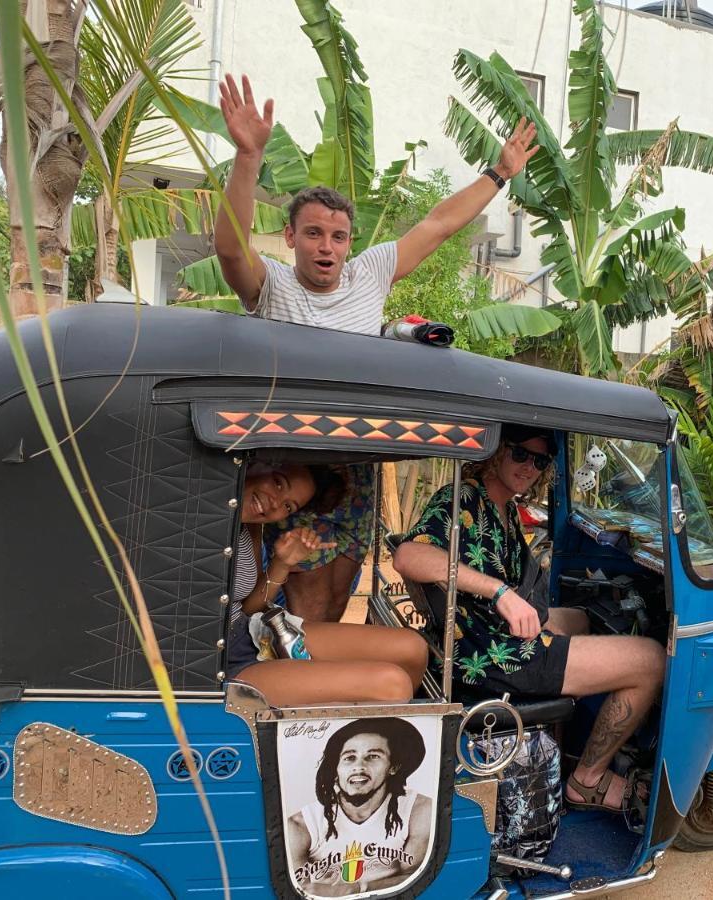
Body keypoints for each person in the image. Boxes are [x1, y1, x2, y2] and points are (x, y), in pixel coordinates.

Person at [212, 73, 540, 622]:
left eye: (337, 236)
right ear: (291, 238)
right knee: (303, 600)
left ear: (349, 244)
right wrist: (248, 158)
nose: (326, 246)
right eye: (313, 233)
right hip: (289, 468)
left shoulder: (369, 274)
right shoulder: (270, 283)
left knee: (342, 592)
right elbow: (228, 250)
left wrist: (499, 174)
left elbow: (437, 224)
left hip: (357, 462)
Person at [393, 426, 666, 814]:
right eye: (520, 454)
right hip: (487, 652)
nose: (529, 467)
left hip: (485, 632)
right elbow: (408, 557)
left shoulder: (501, 505)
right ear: (496, 452)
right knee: (650, 660)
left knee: (582, 619)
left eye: (539, 461)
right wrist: (499, 593)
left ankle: (563, 743)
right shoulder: (463, 497)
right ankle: (586, 781)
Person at [226, 462, 428, 706]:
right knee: (392, 685)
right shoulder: (190, 515)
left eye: (288, 506)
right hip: (224, 661)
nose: (275, 504)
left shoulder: (250, 523)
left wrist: (283, 562)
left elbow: (250, 608)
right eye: (278, 483)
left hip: (250, 630)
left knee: (411, 648)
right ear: (258, 465)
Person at [287, 717, 431, 896]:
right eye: (349, 758)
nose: (359, 767)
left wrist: (357, 888)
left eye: (373, 756)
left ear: (393, 767)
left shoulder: (418, 810)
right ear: (336, 769)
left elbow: (414, 877)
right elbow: (298, 891)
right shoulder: (301, 825)